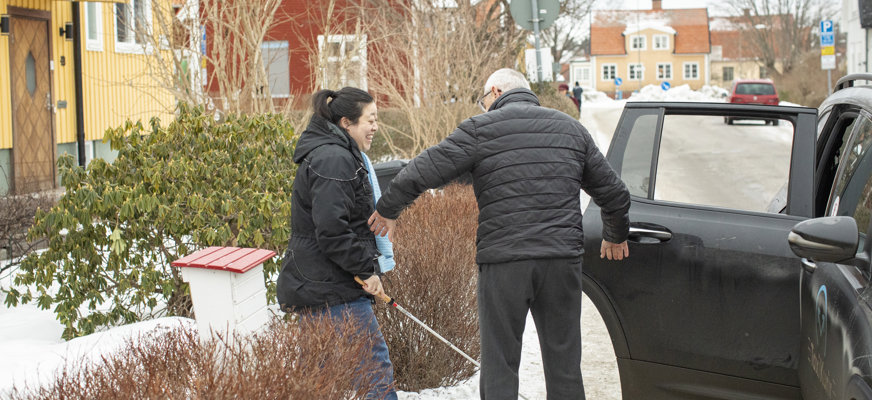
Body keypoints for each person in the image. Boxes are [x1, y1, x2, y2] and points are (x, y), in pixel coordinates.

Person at [369, 68, 630, 400]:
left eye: (483, 100)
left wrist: (389, 209)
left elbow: (423, 169)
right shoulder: (570, 129)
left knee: (500, 364)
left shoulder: (481, 129)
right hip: (561, 262)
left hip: (505, 262)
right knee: (564, 364)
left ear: (495, 92)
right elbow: (615, 193)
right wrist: (615, 234)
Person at [276, 86, 398, 400]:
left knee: (317, 383)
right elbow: (332, 231)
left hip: (324, 285)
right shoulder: (333, 159)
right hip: (330, 290)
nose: (374, 127)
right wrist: (366, 270)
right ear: (346, 122)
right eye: (369, 120)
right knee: (374, 375)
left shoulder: (336, 153)